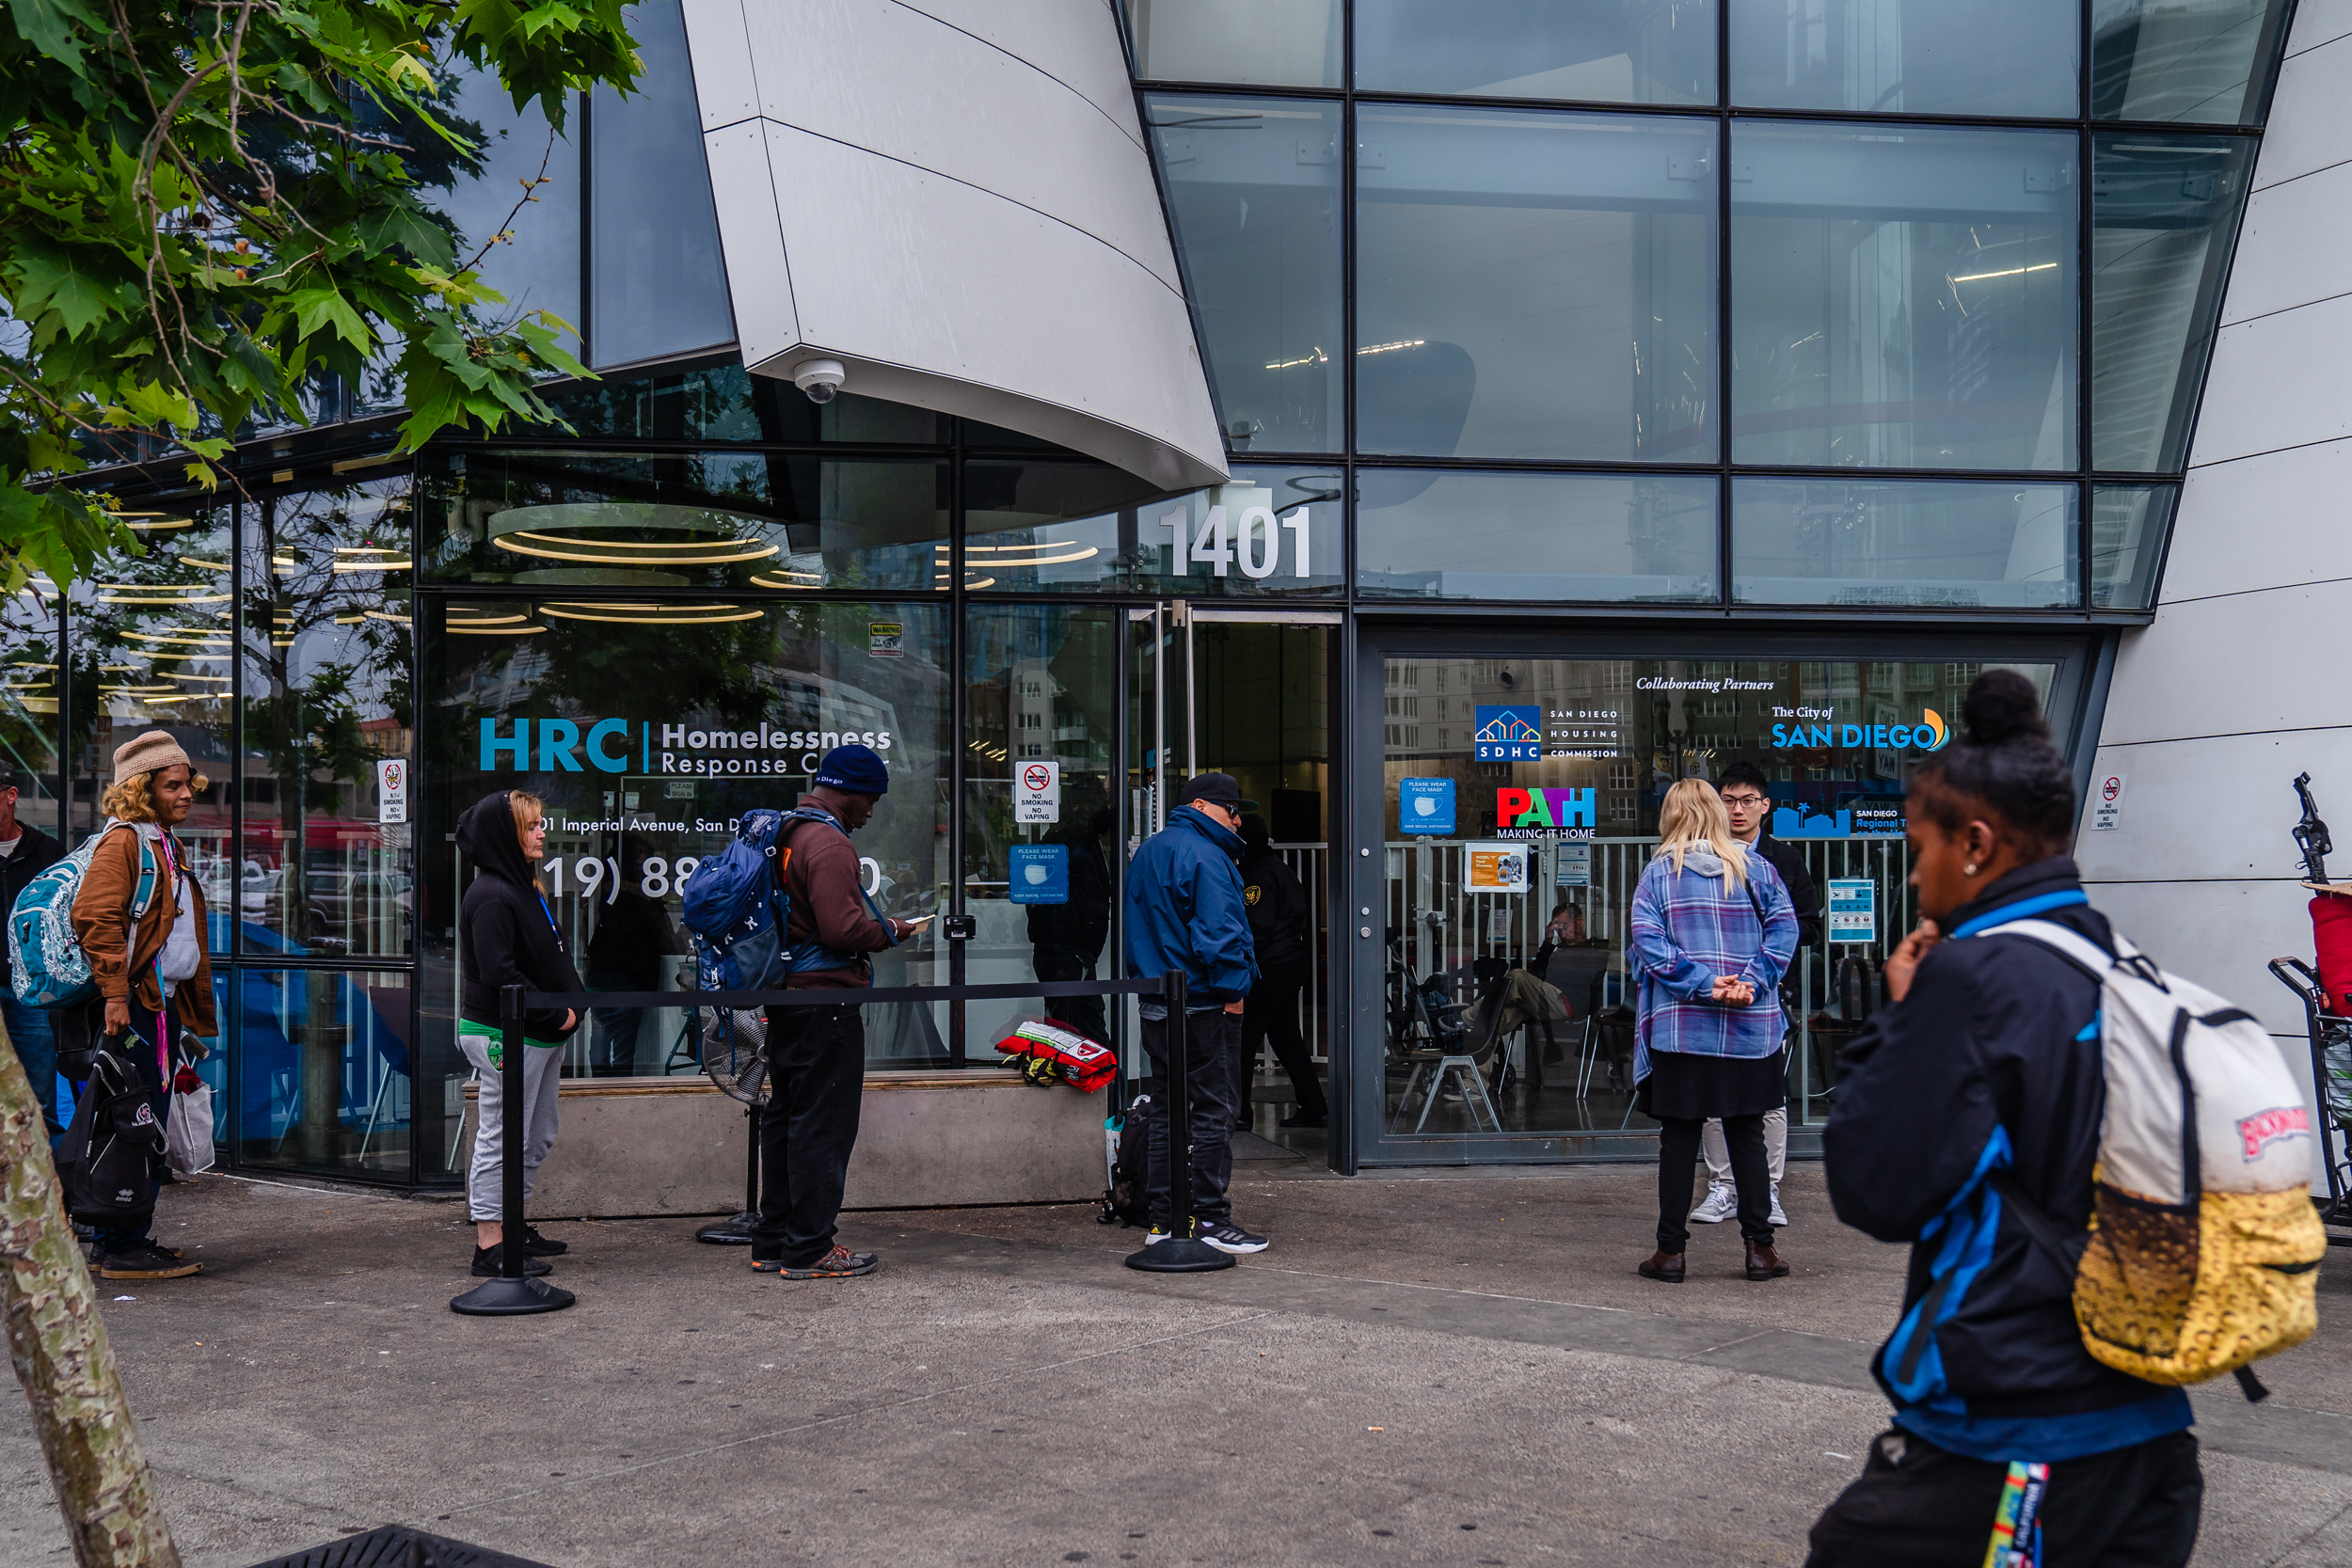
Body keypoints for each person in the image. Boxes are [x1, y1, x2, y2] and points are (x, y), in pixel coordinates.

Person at [1807, 672, 2202, 1566]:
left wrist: (1902, 1019)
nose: (1914, 874)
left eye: (1921, 847)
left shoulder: (1975, 978)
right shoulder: (2120, 963)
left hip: (2018, 1432)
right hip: (2148, 1429)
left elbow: (1875, 1188)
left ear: (1976, 843)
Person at [750, 743, 921, 1280]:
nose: (871, 812)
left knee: (784, 1121)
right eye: (870, 800)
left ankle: (774, 1241)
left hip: (786, 998)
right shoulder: (828, 843)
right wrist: (893, 929)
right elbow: (841, 929)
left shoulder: (787, 834)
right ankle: (811, 1249)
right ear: (848, 792)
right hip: (825, 1003)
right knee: (822, 1127)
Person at [1629, 778, 1796, 1285]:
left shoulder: (1659, 875)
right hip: (1751, 1029)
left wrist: (1703, 984)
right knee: (1747, 1134)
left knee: (1678, 1138)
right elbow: (1785, 931)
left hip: (1682, 1029)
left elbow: (1647, 942)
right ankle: (1761, 1252)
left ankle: (1670, 1254)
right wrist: (1749, 983)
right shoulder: (1757, 869)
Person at [70, 733, 217, 1281]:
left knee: (142, 1115)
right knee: (131, 1117)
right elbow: (95, 915)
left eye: (188, 785)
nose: (186, 795)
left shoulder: (162, 841)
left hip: (158, 1002)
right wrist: (114, 995)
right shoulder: (126, 841)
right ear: (141, 790)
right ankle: (118, 1243)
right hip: (133, 1003)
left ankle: (125, 1235)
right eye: (172, 785)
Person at [1122, 772, 1263, 1254]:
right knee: (1214, 1111)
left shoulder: (1148, 853)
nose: (1238, 819)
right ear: (1203, 807)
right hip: (1204, 1002)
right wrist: (1234, 989)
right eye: (1231, 809)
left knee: (1166, 1113)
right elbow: (1220, 932)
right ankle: (1208, 1218)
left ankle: (1162, 1220)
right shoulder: (1206, 854)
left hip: (1158, 1002)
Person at [1692, 761, 1822, 1230]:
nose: (1738, 809)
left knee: (1768, 1094)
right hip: (1708, 991)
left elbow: (1808, 926)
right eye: (1728, 800)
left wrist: (1762, 960)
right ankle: (1723, 1187)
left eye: (1748, 800)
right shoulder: (1699, 857)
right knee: (1711, 1092)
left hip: (1764, 991)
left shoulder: (1783, 860)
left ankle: (1767, 1189)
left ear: (1765, 805)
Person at [455, 789, 581, 1277]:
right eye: (531, 826)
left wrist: (568, 1004)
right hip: (506, 1032)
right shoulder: (491, 895)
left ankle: (512, 1223)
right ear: (506, 836)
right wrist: (555, 1014)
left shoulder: (524, 887)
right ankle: (491, 1245)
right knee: (502, 1136)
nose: (541, 833)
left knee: (537, 1134)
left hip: (536, 1033)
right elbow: (499, 974)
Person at [1238, 814, 1326, 1130]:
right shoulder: (1281, 869)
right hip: (1290, 963)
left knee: (1243, 1039)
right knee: (1288, 1040)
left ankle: (1238, 1114)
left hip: (1269, 968)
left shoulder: (1256, 874)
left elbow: (1257, 927)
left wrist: (1241, 962)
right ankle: (1316, 1108)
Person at [0, 766, 66, 1140]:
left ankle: (51, 1191)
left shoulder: (47, 852)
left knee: (40, 1098)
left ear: (10, 796)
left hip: (33, 995)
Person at [585, 837, 684, 1077]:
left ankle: (598, 1082)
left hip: (600, 973)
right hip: (628, 975)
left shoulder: (604, 893)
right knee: (623, 1043)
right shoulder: (639, 899)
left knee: (600, 1032)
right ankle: (616, 1088)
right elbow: (658, 935)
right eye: (643, 856)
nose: (647, 862)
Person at [1027, 805, 1114, 1044]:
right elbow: (1058, 897)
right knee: (1088, 1026)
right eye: (1105, 806)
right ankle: (1097, 1078)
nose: (1111, 813)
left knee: (1068, 1024)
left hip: (1066, 949)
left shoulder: (1071, 839)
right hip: (1068, 951)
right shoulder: (1076, 841)